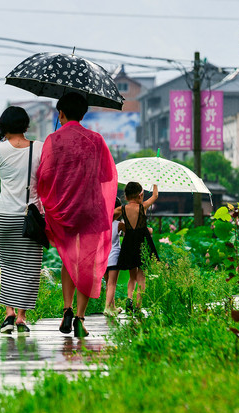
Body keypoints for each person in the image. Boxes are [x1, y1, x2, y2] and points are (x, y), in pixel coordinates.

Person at [37, 92, 118, 337]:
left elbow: (44, 177)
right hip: (91, 211)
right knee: (87, 263)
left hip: (64, 210)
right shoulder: (96, 140)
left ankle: (66, 309)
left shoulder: (53, 140)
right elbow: (106, 176)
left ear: (61, 113)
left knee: (68, 259)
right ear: (83, 114)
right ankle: (80, 319)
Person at [0, 106, 44, 337]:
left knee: (8, 265)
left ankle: (8, 314)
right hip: (31, 216)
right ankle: (21, 318)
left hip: (5, 215)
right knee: (29, 269)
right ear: (26, 125)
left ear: (3, 126)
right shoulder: (39, 148)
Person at [114, 182, 159, 313]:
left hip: (129, 243)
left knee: (132, 276)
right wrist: (155, 182)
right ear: (141, 195)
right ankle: (138, 306)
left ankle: (129, 298)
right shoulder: (143, 206)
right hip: (143, 242)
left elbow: (109, 216)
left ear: (126, 196)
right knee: (141, 277)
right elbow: (155, 195)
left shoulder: (122, 209)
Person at [103, 197, 124, 317]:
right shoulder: (119, 225)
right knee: (112, 284)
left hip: (102, 258)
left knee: (108, 283)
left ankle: (113, 307)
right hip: (114, 257)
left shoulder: (101, 224)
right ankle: (107, 308)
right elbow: (132, 231)